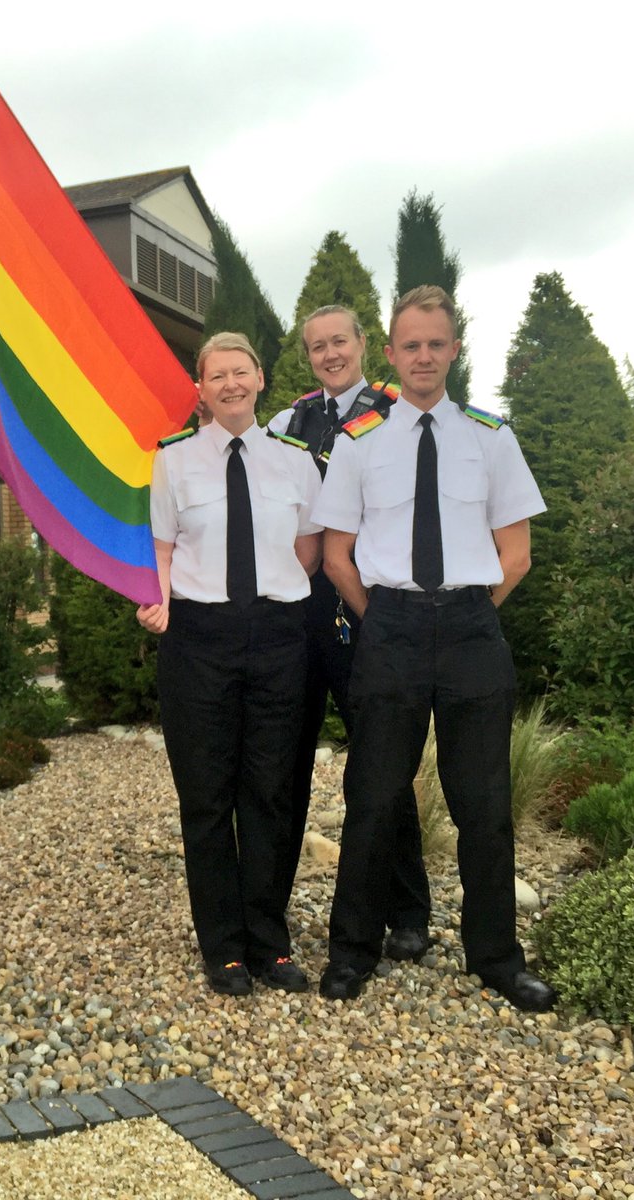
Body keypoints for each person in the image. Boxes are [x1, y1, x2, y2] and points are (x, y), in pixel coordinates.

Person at [313, 285, 556, 1012]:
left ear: (454, 350)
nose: (423, 356)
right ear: (391, 353)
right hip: (389, 630)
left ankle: (497, 958)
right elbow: (337, 557)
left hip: (471, 633)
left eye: (436, 344)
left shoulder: (491, 437)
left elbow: (516, 556)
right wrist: (388, 619)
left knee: (484, 804)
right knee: (372, 798)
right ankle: (352, 952)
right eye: (411, 345)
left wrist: (464, 616)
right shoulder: (360, 441)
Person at [137, 332, 321, 996]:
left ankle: (269, 943)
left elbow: (308, 549)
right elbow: (161, 547)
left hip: (277, 637)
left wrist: (271, 594)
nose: (231, 384)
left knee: (270, 791)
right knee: (208, 795)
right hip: (199, 640)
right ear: (201, 389)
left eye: (240, 372)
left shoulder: (297, 460)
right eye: (217, 376)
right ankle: (224, 948)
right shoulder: (173, 460)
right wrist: (158, 600)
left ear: (260, 378)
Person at [268, 306, 432, 963]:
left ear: (364, 345)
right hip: (298, 618)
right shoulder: (288, 423)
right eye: (318, 347)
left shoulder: (400, 413)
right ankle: (267, 912)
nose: (330, 354)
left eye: (340, 341)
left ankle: (407, 912)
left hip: (371, 614)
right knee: (282, 768)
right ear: (307, 356)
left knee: (383, 772)